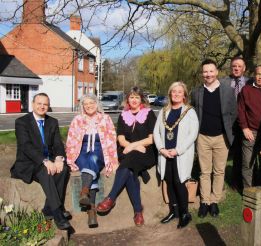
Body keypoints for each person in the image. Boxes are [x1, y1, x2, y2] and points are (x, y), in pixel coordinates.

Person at [97, 87, 157, 226]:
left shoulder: (149, 114)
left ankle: (111, 198)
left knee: (128, 164)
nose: (134, 100)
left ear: (141, 99)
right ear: (127, 100)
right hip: (127, 150)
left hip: (146, 152)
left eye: (137, 97)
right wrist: (130, 146)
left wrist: (133, 145)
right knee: (130, 171)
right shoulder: (123, 115)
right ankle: (138, 211)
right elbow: (121, 139)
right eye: (131, 97)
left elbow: (151, 139)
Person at [10, 93, 71, 230]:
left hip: (48, 160)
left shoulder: (52, 122)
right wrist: (44, 161)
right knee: (46, 171)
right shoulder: (22, 122)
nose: (42, 106)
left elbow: (58, 144)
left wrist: (59, 158)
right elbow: (26, 146)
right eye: (39, 103)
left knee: (63, 169)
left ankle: (48, 210)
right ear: (33, 104)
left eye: (45, 104)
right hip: (28, 163)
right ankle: (58, 212)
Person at [191, 59, 237, 218]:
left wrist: (227, 130)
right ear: (202, 73)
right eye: (205, 71)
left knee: (219, 171)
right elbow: (193, 113)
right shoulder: (196, 92)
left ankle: (214, 201)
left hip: (221, 137)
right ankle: (204, 201)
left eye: (211, 71)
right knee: (204, 171)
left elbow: (233, 113)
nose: (208, 74)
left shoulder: (227, 90)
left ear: (217, 72)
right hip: (202, 137)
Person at [66, 94, 118, 228]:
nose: (89, 106)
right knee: (90, 165)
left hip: (99, 151)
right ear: (82, 106)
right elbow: (71, 141)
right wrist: (70, 157)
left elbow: (112, 140)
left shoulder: (105, 119)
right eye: (86, 104)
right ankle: (92, 212)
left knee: (93, 159)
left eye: (92, 103)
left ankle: (84, 192)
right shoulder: (77, 120)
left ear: (97, 104)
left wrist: (113, 160)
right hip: (81, 152)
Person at [154, 81, 199, 228]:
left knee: (179, 182)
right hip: (165, 154)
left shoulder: (189, 111)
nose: (177, 94)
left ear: (184, 95)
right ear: (170, 94)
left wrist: (178, 150)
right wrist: (161, 149)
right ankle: (174, 211)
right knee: (169, 181)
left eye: (180, 92)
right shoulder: (163, 112)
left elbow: (193, 134)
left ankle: (185, 213)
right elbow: (156, 132)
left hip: (181, 154)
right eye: (174, 91)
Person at [237, 64, 261, 188]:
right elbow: (241, 110)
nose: (260, 77)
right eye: (258, 74)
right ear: (254, 75)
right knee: (248, 163)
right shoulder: (246, 90)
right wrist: (244, 128)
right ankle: (248, 190)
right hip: (251, 132)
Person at [220, 56, 251, 191]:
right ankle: (233, 181)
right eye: (234, 66)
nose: (236, 68)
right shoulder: (223, 82)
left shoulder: (250, 82)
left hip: (246, 122)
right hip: (229, 122)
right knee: (232, 152)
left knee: (244, 154)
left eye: (239, 66)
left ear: (244, 68)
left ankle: (243, 181)